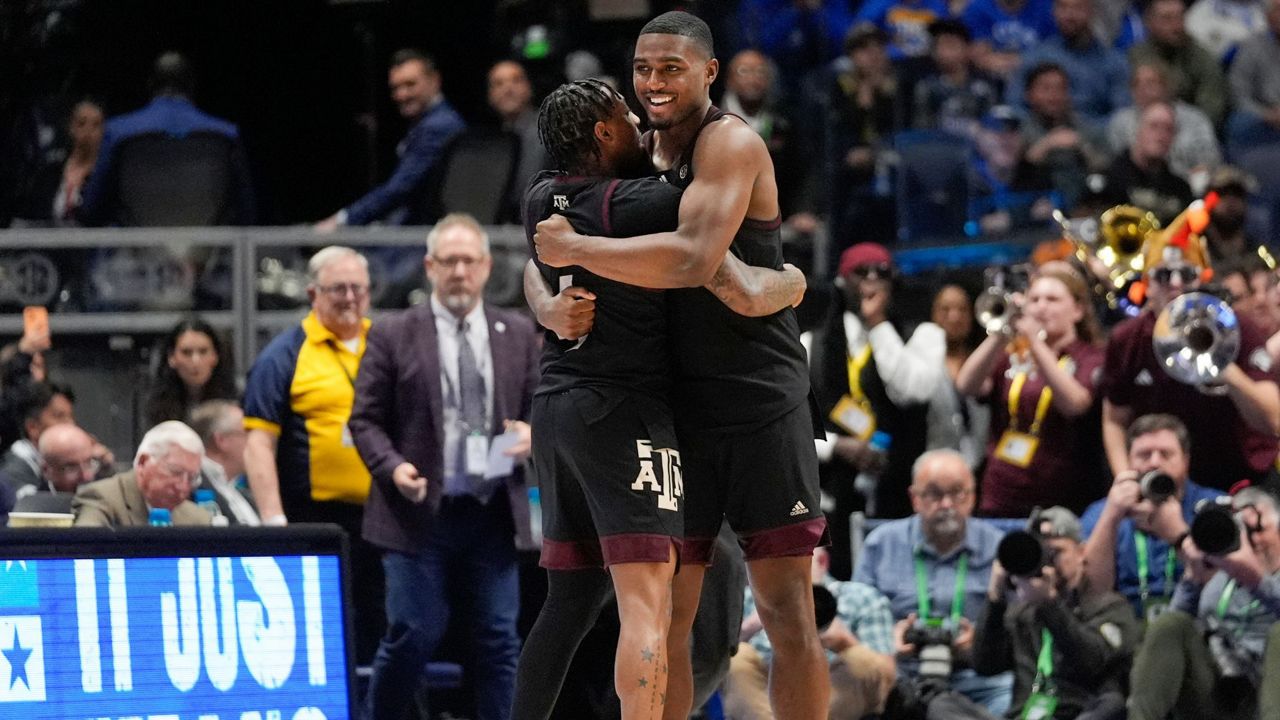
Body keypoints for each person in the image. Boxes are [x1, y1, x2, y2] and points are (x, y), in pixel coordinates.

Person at [533, 12, 830, 719]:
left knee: (787, 614)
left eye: (671, 68)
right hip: (673, 411)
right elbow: (535, 247)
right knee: (670, 619)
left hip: (761, 399)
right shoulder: (634, 155)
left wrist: (579, 254)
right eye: (643, 69)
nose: (654, 83)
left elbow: (696, 259)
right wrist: (548, 306)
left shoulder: (730, 142)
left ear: (709, 72)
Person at [349, 214, 537, 720]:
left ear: (486, 267)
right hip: (417, 514)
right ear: (429, 267)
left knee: (500, 640)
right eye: (448, 261)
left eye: (468, 261)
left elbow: (541, 408)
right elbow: (363, 420)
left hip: (491, 510)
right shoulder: (393, 333)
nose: (459, 271)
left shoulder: (517, 332)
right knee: (413, 633)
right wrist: (392, 469)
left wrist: (531, 434)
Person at [242, 245, 382, 662]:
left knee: (384, 631)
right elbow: (258, 444)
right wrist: (273, 522)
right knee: (322, 633)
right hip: (316, 522)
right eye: (337, 288)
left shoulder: (387, 345)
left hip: (385, 520)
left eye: (358, 287)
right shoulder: (282, 356)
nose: (349, 297)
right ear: (312, 294)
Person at [1100, 224, 1280, 491]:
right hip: (1163, 482)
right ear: (1147, 286)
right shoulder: (1128, 338)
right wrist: (1125, 479)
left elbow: (1272, 420)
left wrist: (1221, 363)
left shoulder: (1237, 326)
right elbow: (1115, 418)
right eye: (1163, 275)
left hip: (1240, 476)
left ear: (1202, 280)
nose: (1175, 285)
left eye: (1185, 274)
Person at [805, 243, 945, 578]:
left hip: (901, 486)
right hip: (832, 493)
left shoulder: (923, 335)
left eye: (881, 272)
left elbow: (911, 391)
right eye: (861, 272)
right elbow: (794, 427)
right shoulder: (812, 344)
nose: (871, 279)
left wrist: (879, 324)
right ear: (841, 282)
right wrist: (838, 446)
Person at [853, 449, 1014, 714]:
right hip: (902, 673)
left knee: (1011, 696)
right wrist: (885, 639)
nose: (947, 504)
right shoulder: (881, 543)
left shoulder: (999, 549)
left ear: (973, 496)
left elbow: (1021, 624)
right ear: (915, 498)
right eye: (935, 494)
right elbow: (855, 617)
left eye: (958, 493)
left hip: (976, 676)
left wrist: (984, 642)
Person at [950, 507, 1138, 720]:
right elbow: (985, 665)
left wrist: (1049, 604)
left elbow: (1090, 662)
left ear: (1081, 552)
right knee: (943, 704)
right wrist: (995, 599)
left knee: (1111, 704)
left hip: (1077, 713)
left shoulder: (1110, 607)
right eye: (1041, 554)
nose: (1047, 563)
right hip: (1022, 715)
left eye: (1055, 553)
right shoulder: (1021, 613)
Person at [956, 266, 1106, 517]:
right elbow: (966, 385)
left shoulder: (1089, 356)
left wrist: (1035, 342)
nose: (1041, 307)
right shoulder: (1013, 352)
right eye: (1034, 300)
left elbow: (1075, 404)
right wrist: (1001, 333)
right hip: (1001, 495)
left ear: (1078, 310)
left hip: (1063, 500)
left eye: (1052, 299)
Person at [1127, 486, 1280, 719]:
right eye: (1244, 531)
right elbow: (1165, 635)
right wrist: (1193, 577)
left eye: (1258, 529)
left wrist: (1257, 580)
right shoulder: (1221, 580)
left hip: (1267, 692)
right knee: (1171, 623)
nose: (1254, 540)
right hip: (1219, 694)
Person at [77, 52, 254, 226]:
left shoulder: (117, 133)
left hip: (134, 253)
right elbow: (247, 213)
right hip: (209, 253)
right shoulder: (227, 135)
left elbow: (91, 210)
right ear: (192, 86)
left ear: (150, 85)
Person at [727, 546, 898, 719]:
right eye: (777, 565)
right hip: (765, 686)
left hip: (836, 684)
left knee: (863, 661)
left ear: (822, 562)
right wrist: (751, 626)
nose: (784, 573)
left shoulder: (862, 597)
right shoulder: (750, 597)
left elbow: (886, 674)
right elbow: (714, 663)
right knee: (737, 656)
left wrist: (845, 642)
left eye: (792, 564)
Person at [1081, 413, 1223, 617]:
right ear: (1129, 461)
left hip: (1196, 623)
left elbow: (1225, 589)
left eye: (1165, 454)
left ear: (1185, 461)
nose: (1154, 463)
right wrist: (1111, 518)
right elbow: (1091, 594)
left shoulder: (1213, 508)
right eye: (1144, 455)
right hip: (1123, 626)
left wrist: (1178, 535)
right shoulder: (1102, 512)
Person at [316, 50, 466, 229]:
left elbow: (398, 190)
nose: (402, 95)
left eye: (410, 85)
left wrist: (342, 220)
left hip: (424, 234)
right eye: (395, 88)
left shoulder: (438, 127)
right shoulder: (429, 123)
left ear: (434, 80)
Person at [827, 23, 900, 257]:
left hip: (891, 172)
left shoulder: (898, 90)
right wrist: (862, 102)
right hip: (848, 180)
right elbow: (833, 139)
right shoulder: (837, 89)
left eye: (879, 48)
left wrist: (881, 98)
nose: (874, 55)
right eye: (865, 49)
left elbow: (901, 132)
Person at [1005, 0, 1130, 129]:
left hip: (1095, 140)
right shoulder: (1036, 57)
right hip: (1041, 136)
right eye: (1062, 7)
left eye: (1078, 8)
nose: (1069, 15)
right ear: (1054, 12)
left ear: (1092, 12)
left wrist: (1082, 132)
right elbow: (1015, 105)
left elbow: (1121, 114)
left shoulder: (1114, 62)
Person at [72, 421, 209, 527]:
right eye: (175, 472)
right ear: (143, 462)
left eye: (192, 477)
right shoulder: (101, 498)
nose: (183, 487)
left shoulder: (198, 519)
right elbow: (86, 551)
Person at [1105, 61, 1220, 183]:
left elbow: (1210, 158)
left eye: (1150, 83)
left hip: (1187, 184)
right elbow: (1115, 162)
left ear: (1166, 86)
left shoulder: (1195, 119)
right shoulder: (1120, 122)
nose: (1143, 89)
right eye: (1137, 84)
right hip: (1133, 184)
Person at [1127, 0, 1227, 126]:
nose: (1176, 26)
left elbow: (1212, 107)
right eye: (1167, 19)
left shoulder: (1202, 58)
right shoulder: (1135, 57)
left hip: (1189, 128)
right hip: (1143, 127)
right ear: (1149, 22)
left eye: (1180, 17)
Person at [12, 99, 104, 226]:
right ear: (71, 127)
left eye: (96, 125)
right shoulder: (50, 171)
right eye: (81, 123)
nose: (88, 131)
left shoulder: (106, 174)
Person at [928, 284, 990, 471]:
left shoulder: (985, 360)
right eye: (945, 309)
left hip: (983, 466)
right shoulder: (921, 364)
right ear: (933, 314)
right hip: (934, 464)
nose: (954, 317)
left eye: (962, 309)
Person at [1102, 101, 1193, 225]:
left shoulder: (1181, 190)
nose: (1161, 136)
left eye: (1168, 129)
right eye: (1154, 126)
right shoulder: (1110, 179)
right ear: (1137, 130)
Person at [912, 20, 1002, 137]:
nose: (942, 51)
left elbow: (992, 127)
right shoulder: (927, 87)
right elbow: (922, 129)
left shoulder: (984, 86)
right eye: (938, 45)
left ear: (967, 49)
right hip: (938, 147)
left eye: (950, 44)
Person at [144, 317, 238, 428]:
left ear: (215, 356)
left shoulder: (235, 402)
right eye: (186, 352)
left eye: (203, 351)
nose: (195, 361)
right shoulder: (153, 403)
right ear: (171, 357)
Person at [487, 60, 548, 223]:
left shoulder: (546, 131)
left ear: (529, 88)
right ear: (490, 95)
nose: (508, 89)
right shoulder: (493, 141)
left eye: (516, 80)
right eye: (499, 84)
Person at [187, 399, 258, 526]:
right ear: (221, 440)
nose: (254, 443)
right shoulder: (190, 487)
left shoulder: (246, 496)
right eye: (247, 434)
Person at [0, 381, 76, 496]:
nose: (71, 424)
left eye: (71, 416)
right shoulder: (12, 473)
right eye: (60, 416)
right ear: (33, 427)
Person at [1225, 0, 1280, 154]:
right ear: (1267, 16)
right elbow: (1238, 94)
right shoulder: (1251, 46)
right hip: (1261, 116)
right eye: (1278, 10)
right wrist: (1266, 114)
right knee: (1239, 124)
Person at [962, 0, 1056, 78]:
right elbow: (979, 58)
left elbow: (1050, 54)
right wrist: (1024, 62)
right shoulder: (977, 8)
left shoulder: (1046, 8)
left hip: (1035, 77)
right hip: (989, 78)